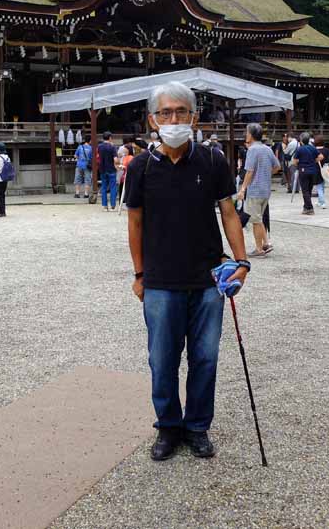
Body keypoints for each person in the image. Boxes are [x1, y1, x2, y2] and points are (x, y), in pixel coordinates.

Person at [124, 81, 250, 461]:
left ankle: (197, 425)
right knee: (161, 359)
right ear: (152, 119)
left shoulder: (212, 161)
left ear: (194, 117)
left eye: (181, 112)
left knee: (205, 357)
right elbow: (135, 223)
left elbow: (229, 212)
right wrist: (139, 274)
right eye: (165, 113)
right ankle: (167, 426)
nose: (173, 119)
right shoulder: (143, 166)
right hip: (160, 280)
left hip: (208, 279)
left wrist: (242, 263)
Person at [237, 123, 277, 257]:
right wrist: (266, 173)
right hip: (266, 189)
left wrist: (242, 189)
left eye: (247, 132)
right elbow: (277, 166)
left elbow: (249, 171)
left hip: (255, 189)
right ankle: (265, 244)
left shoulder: (252, 150)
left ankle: (261, 247)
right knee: (257, 218)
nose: (246, 134)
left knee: (256, 220)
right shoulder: (267, 149)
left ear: (251, 135)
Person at [291, 132, 322, 215]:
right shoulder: (312, 148)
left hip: (303, 171)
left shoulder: (300, 149)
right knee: (309, 190)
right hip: (313, 171)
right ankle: (306, 207)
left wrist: (300, 162)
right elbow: (321, 156)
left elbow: (294, 162)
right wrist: (313, 161)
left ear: (301, 140)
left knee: (305, 191)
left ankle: (310, 208)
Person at [98, 131, 119, 211]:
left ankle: (105, 206)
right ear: (110, 138)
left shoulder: (99, 147)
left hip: (102, 169)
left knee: (103, 187)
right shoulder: (112, 147)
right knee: (113, 187)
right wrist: (118, 163)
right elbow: (115, 160)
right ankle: (113, 205)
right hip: (111, 169)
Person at [314, 138, 329, 209]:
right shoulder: (326, 150)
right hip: (325, 169)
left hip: (316, 170)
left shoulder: (314, 150)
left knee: (319, 187)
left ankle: (322, 202)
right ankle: (320, 202)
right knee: (322, 186)